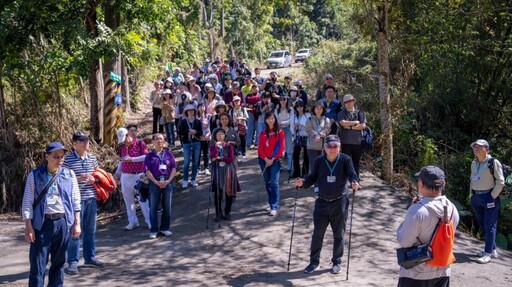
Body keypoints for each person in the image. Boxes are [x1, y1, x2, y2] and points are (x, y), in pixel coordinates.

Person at [295, 135, 360, 274]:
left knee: (339, 234)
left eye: (335, 146)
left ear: (339, 147)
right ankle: (314, 262)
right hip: (322, 202)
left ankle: (337, 262)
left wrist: (355, 182)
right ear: (325, 148)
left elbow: (352, 174)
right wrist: (303, 183)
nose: (332, 149)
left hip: (339, 202)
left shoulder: (345, 160)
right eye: (329, 146)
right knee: (317, 234)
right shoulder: (319, 161)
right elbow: (312, 177)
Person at [22, 142, 81, 287]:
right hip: (41, 224)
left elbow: (75, 199)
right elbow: (27, 202)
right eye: (56, 156)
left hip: (62, 222)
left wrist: (77, 222)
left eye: (62, 157)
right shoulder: (35, 175)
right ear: (47, 157)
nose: (60, 160)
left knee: (59, 264)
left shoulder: (69, 174)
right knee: (37, 266)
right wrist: (28, 227)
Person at [396, 166, 459, 286]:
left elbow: (405, 242)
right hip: (442, 272)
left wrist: (400, 228)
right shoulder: (452, 209)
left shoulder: (417, 211)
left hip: (415, 273)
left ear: (421, 184)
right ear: (443, 184)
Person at [64, 131, 104, 275]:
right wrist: (77, 179)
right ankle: (73, 263)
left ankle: (90, 257)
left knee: (90, 230)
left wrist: (96, 180)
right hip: (75, 201)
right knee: (75, 231)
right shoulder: (68, 160)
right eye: (83, 141)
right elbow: (63, 179)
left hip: (91, 197)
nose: (87, 143)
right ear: (75, 144)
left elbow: (99, 175)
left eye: (87, 140)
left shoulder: (92, 158)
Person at [469, 139, 505, 264]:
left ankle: (487, 253)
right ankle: (492, 249)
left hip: (489, 197)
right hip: (477, 198)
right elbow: (472, 180)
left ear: (487, 149)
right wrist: (471, 195)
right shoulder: (474, 163)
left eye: (479, 147)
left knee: (490, 225)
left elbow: (501, 181)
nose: (475, 148)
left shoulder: (492, 162)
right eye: (474, 147)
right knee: (483, 224)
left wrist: (493, 196)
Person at [115, 126, 151, 231]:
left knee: (142, 200)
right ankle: (132, 221)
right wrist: (117, 173)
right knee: (128, 200)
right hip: (125, 176)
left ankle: (149, 221)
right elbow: (121, 161)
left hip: (138, 175)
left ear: (129, 135)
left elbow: (146, 157)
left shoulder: (140, 143)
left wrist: (132, 159)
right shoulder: (122, 147)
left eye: (125, 139)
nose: (124, 142)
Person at [144, 133, 177, 239]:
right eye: (157, 139)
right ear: (153, 142)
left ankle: (165, 228)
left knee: (167, 206)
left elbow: (174, 169)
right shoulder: (149, 156)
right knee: (153, 207)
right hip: (154, 182)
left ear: (164, 141)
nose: (159, 141)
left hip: (167, 181)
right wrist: (155, 181)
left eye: (161, 139)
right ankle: (154, 229)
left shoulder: (169, 154)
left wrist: (168, 181)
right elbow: (147, 171)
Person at [210, 129, 241, 221]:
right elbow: (213, 156)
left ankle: (227, 211)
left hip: (228, 170)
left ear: (225, 136)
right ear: (215, 136)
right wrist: (216, 148)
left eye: (222, 134)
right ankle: (218, 213)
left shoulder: (228, 146)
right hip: (217, 170)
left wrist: (220, 158)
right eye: (218, 134)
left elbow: (230, 159)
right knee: (218, 193)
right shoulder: (212, 146)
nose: (220, 136)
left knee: (229, 192)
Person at [258, 112, 285, 216]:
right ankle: (270, 202)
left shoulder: (280, 132)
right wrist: (265, 159)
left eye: (272, 118)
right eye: (268, 118)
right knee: (267, 183)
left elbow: (281, 147)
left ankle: (274, 206)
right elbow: (260, 148)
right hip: (264, 161)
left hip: (275, 161)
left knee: (274, 183)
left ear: (275, 119)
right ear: (265, 120)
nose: (270, 120)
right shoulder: (263, 133)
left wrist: (272, 159)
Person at [338, 94, 367, 176]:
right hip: (345, 142)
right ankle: (344, 183)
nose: (348, 103)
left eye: (350, 101)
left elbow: (363, 126)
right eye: (346, 102)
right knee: (345, 163)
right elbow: (343, 123)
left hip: (357, 142)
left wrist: (350, 128)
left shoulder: (360, 113)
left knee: (356, 163)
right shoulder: (341, 113)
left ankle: (356, 181)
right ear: (344, 104)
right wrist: (356, 122)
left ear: (353, 101)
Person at [306, 101, 331, 193]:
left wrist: (320, 135)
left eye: (321, 108)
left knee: (323, 166)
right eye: (317, 108)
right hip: (311, 146)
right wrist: (315, 135)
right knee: (313, 166)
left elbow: (327, 128)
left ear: (323, 109)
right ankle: (316, 184)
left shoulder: (326, 119)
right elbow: (309, 129)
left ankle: (322, 183)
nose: (318, 110)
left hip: (322, 147)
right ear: (314, 109)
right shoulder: (309, 119)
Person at [178, 105, 203, 188]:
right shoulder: (183, 121)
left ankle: (193, 179)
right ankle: (185, 180)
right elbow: (180, 132)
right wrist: (188, 131)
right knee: (186, 162)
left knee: (196, 162)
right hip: (186, 143)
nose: (191, 112)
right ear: (186, 112)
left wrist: (195, 132)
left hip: (196, 143)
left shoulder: (198, 122)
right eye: (189, 111)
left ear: (195, 112)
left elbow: (201, 133)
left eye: (192, 111)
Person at [275, 94, 295, 172]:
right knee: (280, 148)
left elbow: (291, 121)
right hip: (279, 130)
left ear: (287, 100)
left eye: (284, 99)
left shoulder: (291, 109)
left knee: (289, 149)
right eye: (281, 100)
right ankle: (280, 166)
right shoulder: (277, 110)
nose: (282, 101)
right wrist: (280, 123)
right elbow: (276, 120)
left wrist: (292, 133)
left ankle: (290, 167)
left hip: (288, 129)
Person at [292, 100, 310, 178]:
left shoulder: (307, 115)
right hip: (298, 137)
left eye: (301, 106)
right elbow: (292, 126)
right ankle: (296, 172)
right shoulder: (294, 115)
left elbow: (309, 126)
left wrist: (300, 125)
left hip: (306, 137)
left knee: (306, 156)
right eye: (297, 106)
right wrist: (295, 128)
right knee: (295, 155)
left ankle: (305, 172)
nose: (299, 108)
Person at [231, 96, 249, 162]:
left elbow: (247, 118)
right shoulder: (231, 110)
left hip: (243, 128)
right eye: (235, 101)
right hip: (235, 129)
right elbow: (230, 119)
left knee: (243, 141)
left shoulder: (243, 109)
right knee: (236, 142)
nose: (236, 102)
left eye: (238, 101)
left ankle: (244, 155)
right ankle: (237, 155)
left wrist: (241, 118)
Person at [197, 103, 211, 175]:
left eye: (203, 106)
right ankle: (198, 168)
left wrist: (207, 135)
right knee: (198, 154)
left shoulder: (208, 116)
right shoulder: (196, 117)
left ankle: (206, 168)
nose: (202, 108)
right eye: (200, 106)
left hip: (207, 137)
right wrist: (199, 135)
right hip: (198, 138)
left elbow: (210, 127)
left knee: (206, 153)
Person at [245, 84, 261, 149]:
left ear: (258, 88)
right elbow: (244, 103)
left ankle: (257, 143)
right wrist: (248, 105)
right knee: (250, 128)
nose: (254, 89)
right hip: (250, 113)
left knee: (258, 129)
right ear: (251, 89)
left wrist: (254, 105)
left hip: (258, 113)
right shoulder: (248, 95)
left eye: (256, 88)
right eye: (253, 88)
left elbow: (260, 102)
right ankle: (248, 143)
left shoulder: (261, 95)